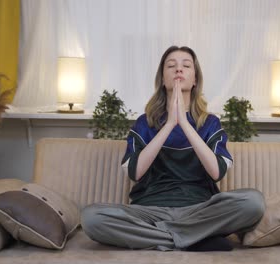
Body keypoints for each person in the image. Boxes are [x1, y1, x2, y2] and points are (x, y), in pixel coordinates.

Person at [81, 45, 265, 251]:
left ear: (195, 80)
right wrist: (169, 124)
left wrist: (184, 124)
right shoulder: (144, 123)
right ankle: (194, 239)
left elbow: (217, 172)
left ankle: (163, 237)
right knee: (91, 218)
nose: (178, 70)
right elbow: (134, 172)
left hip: (199, 212)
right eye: (171, 66)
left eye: (186, 65)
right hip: (149, 211)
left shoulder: (210, 123)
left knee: (253, 203)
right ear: (162, 80)